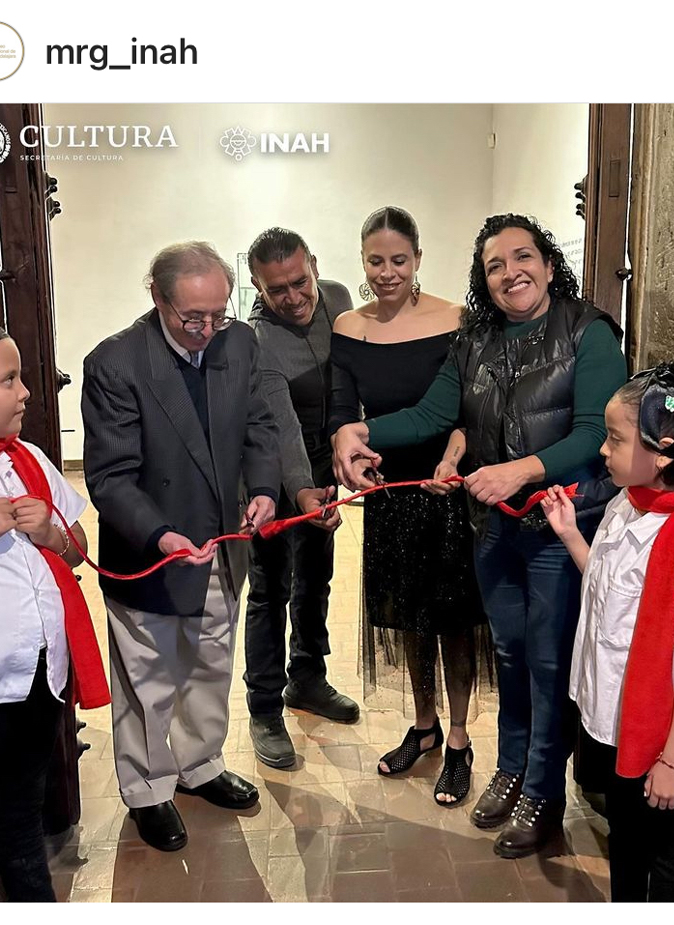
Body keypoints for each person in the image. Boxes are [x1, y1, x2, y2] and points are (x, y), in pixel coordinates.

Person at [333, 213, 628, 853]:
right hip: (493, 528)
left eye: (523, 258)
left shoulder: (589, 332)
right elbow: (431, 414)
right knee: (512, 655)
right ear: (484, 279)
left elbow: (593, 433)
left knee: (548, 662)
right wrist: (359, 431)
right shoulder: (475, 340)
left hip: (559, 528)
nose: (510, 273)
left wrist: (519, 471)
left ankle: (543, 792)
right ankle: (511, 769)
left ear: (548, 264)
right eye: (495, 265)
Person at [82, 242, 281, 853]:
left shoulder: (240, 343)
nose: (207, 330)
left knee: (211, 660)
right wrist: (159, 534)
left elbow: (259, 426)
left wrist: (265, 489)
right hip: (153, 550)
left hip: (221, 540)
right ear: (158, 298)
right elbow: (110, 477)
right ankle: (147, 789)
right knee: (150, 678)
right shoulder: (116, 363)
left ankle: (201, 765)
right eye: (193, 318)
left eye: (219, 314)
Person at [542, 361, 674, 901]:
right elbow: (608, 592)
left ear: (663, 450)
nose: (603, 450)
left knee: (659, 852)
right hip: (610, 714)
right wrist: (570, 535)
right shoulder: (624, 506)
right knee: (626, 838)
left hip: (652, 734)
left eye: (615, 439)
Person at [0, 315, 107, 902]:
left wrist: (51, 537)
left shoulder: (27, 457)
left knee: (22, 815)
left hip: (37, 673)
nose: (26, 392)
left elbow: (77, 547)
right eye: (8, 380)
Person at [329, 207, 485, 807]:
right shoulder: (349, 326)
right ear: (362, 261)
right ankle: (425, 728)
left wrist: (453, 460)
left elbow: (472, 408)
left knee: (454, 620)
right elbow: (342, 412)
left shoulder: (456, 319)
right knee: (410, 617)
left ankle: (461, 740)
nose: (387, 273)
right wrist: (352, 458)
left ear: (418, 258)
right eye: (376, 261)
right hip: (389, 491)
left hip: (449, 485)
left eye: (399, 260)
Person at [245, 227, 359, 771]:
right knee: (271, 588)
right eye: (277, 290)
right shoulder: (258, 339)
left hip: (323, 463)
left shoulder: (337, 297)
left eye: (299, 282)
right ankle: (264, 707)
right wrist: (298, 490)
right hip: (272, 471)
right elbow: (282, 424)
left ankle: (307, 679)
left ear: (314, 265)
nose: (293, 298)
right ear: (257, 287)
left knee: (316, 576)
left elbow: (353, 377)